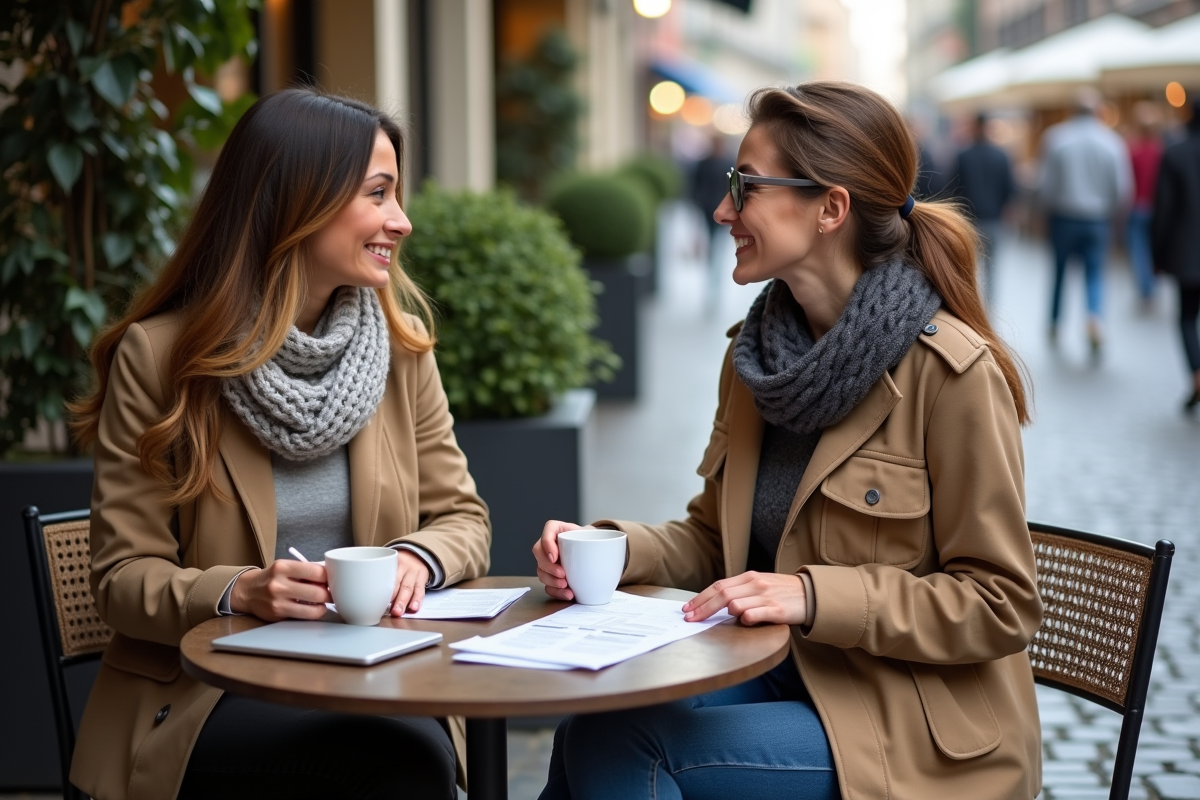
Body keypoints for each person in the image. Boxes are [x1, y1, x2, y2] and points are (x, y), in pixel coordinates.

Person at [533, 81, 1042, 800]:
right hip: (777, 672)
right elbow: (716, 542)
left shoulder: (951, 374)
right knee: (593, 723)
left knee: (637, 747)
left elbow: (999, 604)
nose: (721, 209)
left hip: (910, 723)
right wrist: (612, 549)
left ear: (830, 207)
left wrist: (811, 594)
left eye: (745, 185)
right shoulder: (757, 360)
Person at [66, 88, 492, 800]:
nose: (402, 220)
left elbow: (464, 521)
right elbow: (119, 582)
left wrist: (418, 557)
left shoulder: (401, 354)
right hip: (208, 692)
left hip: (375, 672)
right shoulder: (161, 358)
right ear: (299, 202)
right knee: (400, 764)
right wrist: (240, 591)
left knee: (410, 748)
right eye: (378, 194)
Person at [1038, 89, 1133, 358]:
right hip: (1097, 220)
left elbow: (1046, 186)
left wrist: (1045, 212)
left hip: (1064, 218)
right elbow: (1123, 189)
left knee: (1059, 273)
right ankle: (1093, 318)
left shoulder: (1056, 139)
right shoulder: (1112, 142)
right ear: (1097, 111)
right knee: (1094, 273)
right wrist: (1114, 216)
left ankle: (1055, 324)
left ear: (1072, 110)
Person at [1151, 99, 1200, 413]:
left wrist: (1157, 255)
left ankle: (1196, 374)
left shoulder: (1177, 152)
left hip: (1188, 253)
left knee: (1186, 318)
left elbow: (1164, 210)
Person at [947, 112, 1015, 305]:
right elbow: (1010, 189)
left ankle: (970, 305)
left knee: (968, 267)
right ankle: (989, 305)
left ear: (975, 127)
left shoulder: (963, 156)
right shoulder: (1002, 156)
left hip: (969, 220)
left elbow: (953, 189)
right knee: (992, 267)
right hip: (994, 220)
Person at [1126, 101, 1164, 308]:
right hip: (1156, 207)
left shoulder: (1133, 151)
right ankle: (1151, 286)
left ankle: (1146, 289)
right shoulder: (1161, 151)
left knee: (1139, 250)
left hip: (1137, 206)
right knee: (1152, 248)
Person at [690, 132, 733, 310]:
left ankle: (715, 279)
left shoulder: (728, 162)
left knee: (719, 247)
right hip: (707, 210)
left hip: (720, 210)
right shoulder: (704, 163)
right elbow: (694, 185)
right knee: (711, 245)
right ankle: (711, 277)